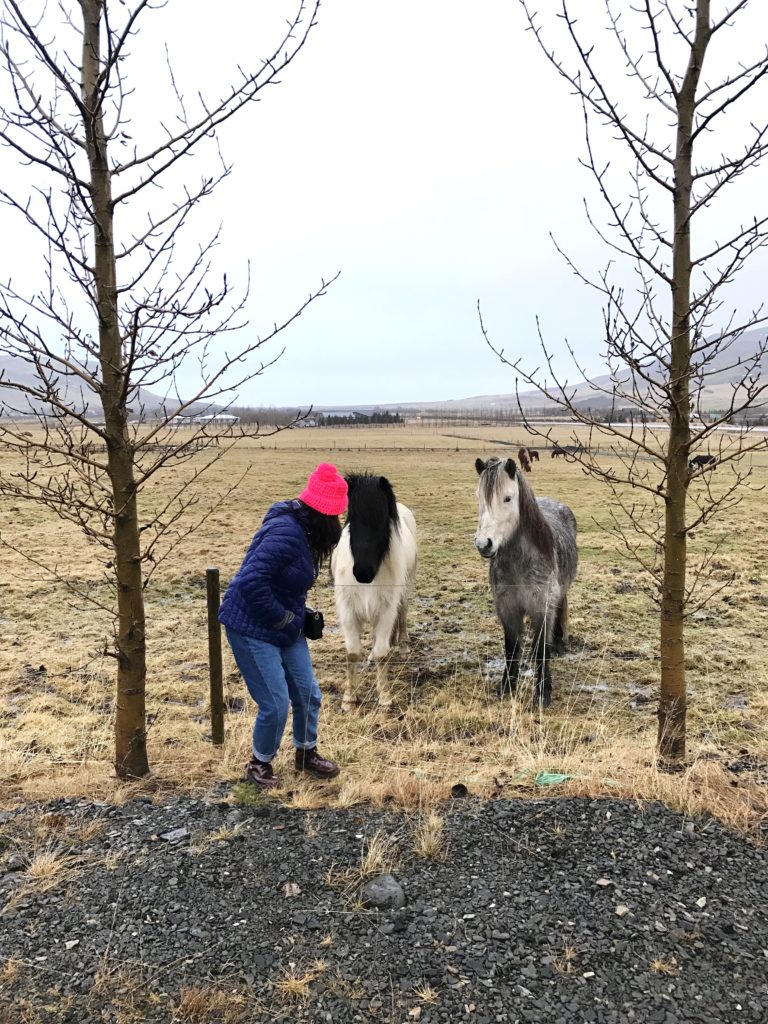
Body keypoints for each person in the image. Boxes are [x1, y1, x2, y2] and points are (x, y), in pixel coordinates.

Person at [219, 463, 348, 789]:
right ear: (321, 513)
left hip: (285, 625)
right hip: (251, 626)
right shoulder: (287, 534)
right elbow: (250, 582)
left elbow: (282, 583)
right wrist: (284, 617)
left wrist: (299, 615)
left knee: (308, 693)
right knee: (275, 703)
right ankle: (258, 764)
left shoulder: (305, 532)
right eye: (334, 516)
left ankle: (306, 753)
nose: (337, 523)